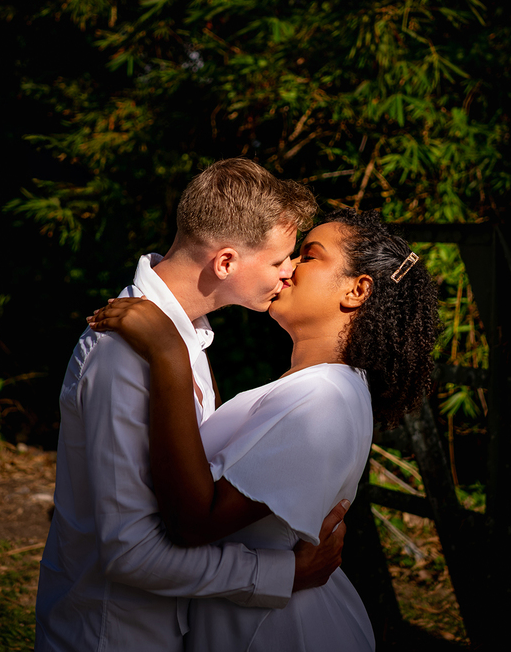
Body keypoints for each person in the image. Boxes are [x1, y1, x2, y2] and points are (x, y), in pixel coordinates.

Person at [88, 208, 440, 651]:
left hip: (285, 634)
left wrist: (169, 354)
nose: (288, 267)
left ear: (356, 290)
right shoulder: (315, 387)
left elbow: (194, 523)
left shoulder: (324, 399)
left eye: (309, 256)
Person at [35, 159, 351, 652]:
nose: (289, 274)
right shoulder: (125, 353)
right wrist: (284, 573)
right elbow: (131, 553)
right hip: (114, 634)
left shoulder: (184, 336)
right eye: (279, 261)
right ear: (225, 263)